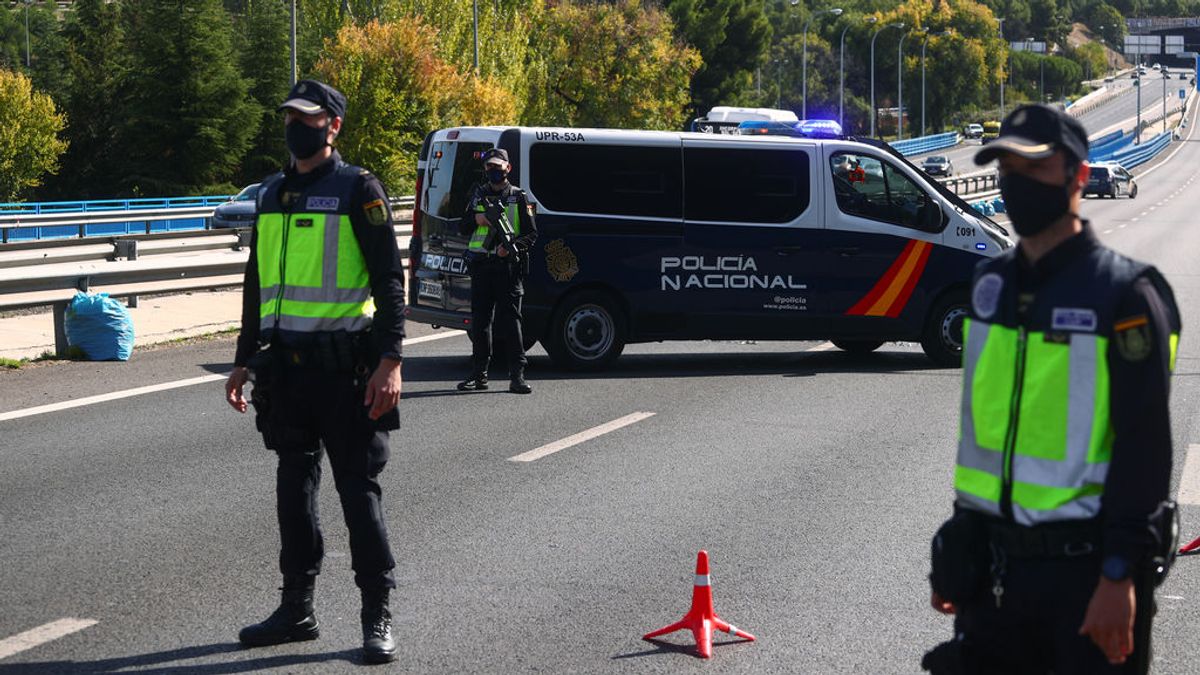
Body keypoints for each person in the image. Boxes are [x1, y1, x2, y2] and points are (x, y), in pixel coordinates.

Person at [923, 104, 1181, 674]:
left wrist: (1120, 574)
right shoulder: (990, 284)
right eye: (1006, 168)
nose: (1016, 183)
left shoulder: (1126, 295)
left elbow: (1144, 447)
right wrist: (962, 536)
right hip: (993, 577)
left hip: (1086, 577)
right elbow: (987, 433)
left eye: (1033, 168)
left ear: (1078, 177)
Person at [223, 79, 405, 665]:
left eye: (307, 117)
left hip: (346, 372)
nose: (295, 126)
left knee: (358, 493)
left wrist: (391, 360)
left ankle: (376, 611)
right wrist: (242, 358)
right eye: (289, 117)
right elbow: (257, 285)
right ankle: (295, 609)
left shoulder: (359, 189)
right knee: (293, 492)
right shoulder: (272, 193)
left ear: (334, 126)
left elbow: (389, 280)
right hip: (286, 374)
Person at [456, 148, 538, 394]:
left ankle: (517, 376)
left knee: (512, 322)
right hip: (482, 266)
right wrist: (477, 220)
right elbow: (463, 227)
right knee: (480, 323)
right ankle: (479, 375)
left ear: (508, 169)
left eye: (498, 168)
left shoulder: (519, 197)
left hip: (508, 268)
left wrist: (509, 248)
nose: (493, 172)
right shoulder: (477, 196)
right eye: (490, 167)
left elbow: (531, 234)